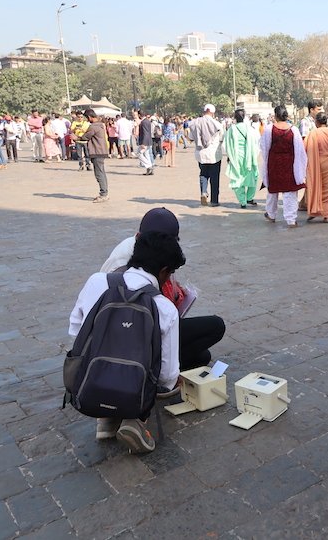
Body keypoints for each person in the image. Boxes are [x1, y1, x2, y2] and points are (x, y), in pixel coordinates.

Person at [70, 231, 186, 452]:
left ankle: (106, 417)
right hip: (134, 392)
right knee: (158, 373)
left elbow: (75, 329)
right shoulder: (163, 307)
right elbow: (167, 377)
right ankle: (135, 421)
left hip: (89, 383)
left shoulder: (97, 281)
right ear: (163, 271)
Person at [100, 207, 226, 378]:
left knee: (202, 356)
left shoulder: (142, 251)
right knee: (215, 326)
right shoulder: (121, 267)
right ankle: (149, 366)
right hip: (132, 333)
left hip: (142, 325)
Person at [259, 105, 307, 226]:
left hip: (274, 162)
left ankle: (271, 214)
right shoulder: (293, 130)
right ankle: (291, 219)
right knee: (290, 191)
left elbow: (264, 147)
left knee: (273, 189)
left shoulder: (269, 129)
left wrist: (266, 161)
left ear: (275, 115)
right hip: (289, 163)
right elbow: (299, 149)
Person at [305, 112, 328, 222]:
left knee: (315, 187)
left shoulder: (313, 133)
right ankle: (326, 214)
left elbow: (305, 148)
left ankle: (315, 210)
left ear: (317, 122)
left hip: (315, 164)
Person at [69, 109, 110, 203]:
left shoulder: (94, 127)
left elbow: (85, 137)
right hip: (101, 151)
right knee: (101, 173)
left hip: (97, 152)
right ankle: (104, 193)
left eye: (87, 118)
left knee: (99, 174)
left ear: (90, 117)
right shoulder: (100, 125)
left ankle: (104, 194)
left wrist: (76, 138)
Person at [224, 108, 260, 209]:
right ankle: (249, 197)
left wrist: (229, 156)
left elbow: (228, 144)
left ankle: (242, 201)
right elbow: (256, 143)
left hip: (236, 157)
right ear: (244, 117)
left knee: (237, 178)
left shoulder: (231, 129)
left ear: (235, 117)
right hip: (250, 157)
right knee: (252, 177)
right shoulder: (250, 129)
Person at [188, 104, 224, 207]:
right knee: (214, 177)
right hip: (214, 154)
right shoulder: (216, 124)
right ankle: (214, 201)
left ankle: (203, 192)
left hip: (201, 154)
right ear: (212, 112)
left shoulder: (195, 123)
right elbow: (222, 137)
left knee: (203, 173)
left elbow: (190, 138)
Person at [137, 111, 154, 176]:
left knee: (139, 153)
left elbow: (145, 133)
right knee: (147, 155)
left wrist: (143, 143)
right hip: (148, 140)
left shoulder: (143, 122)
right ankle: (149, 169)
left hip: (145, 141)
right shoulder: (147, 121)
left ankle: (149, 166)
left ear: (139, 115)